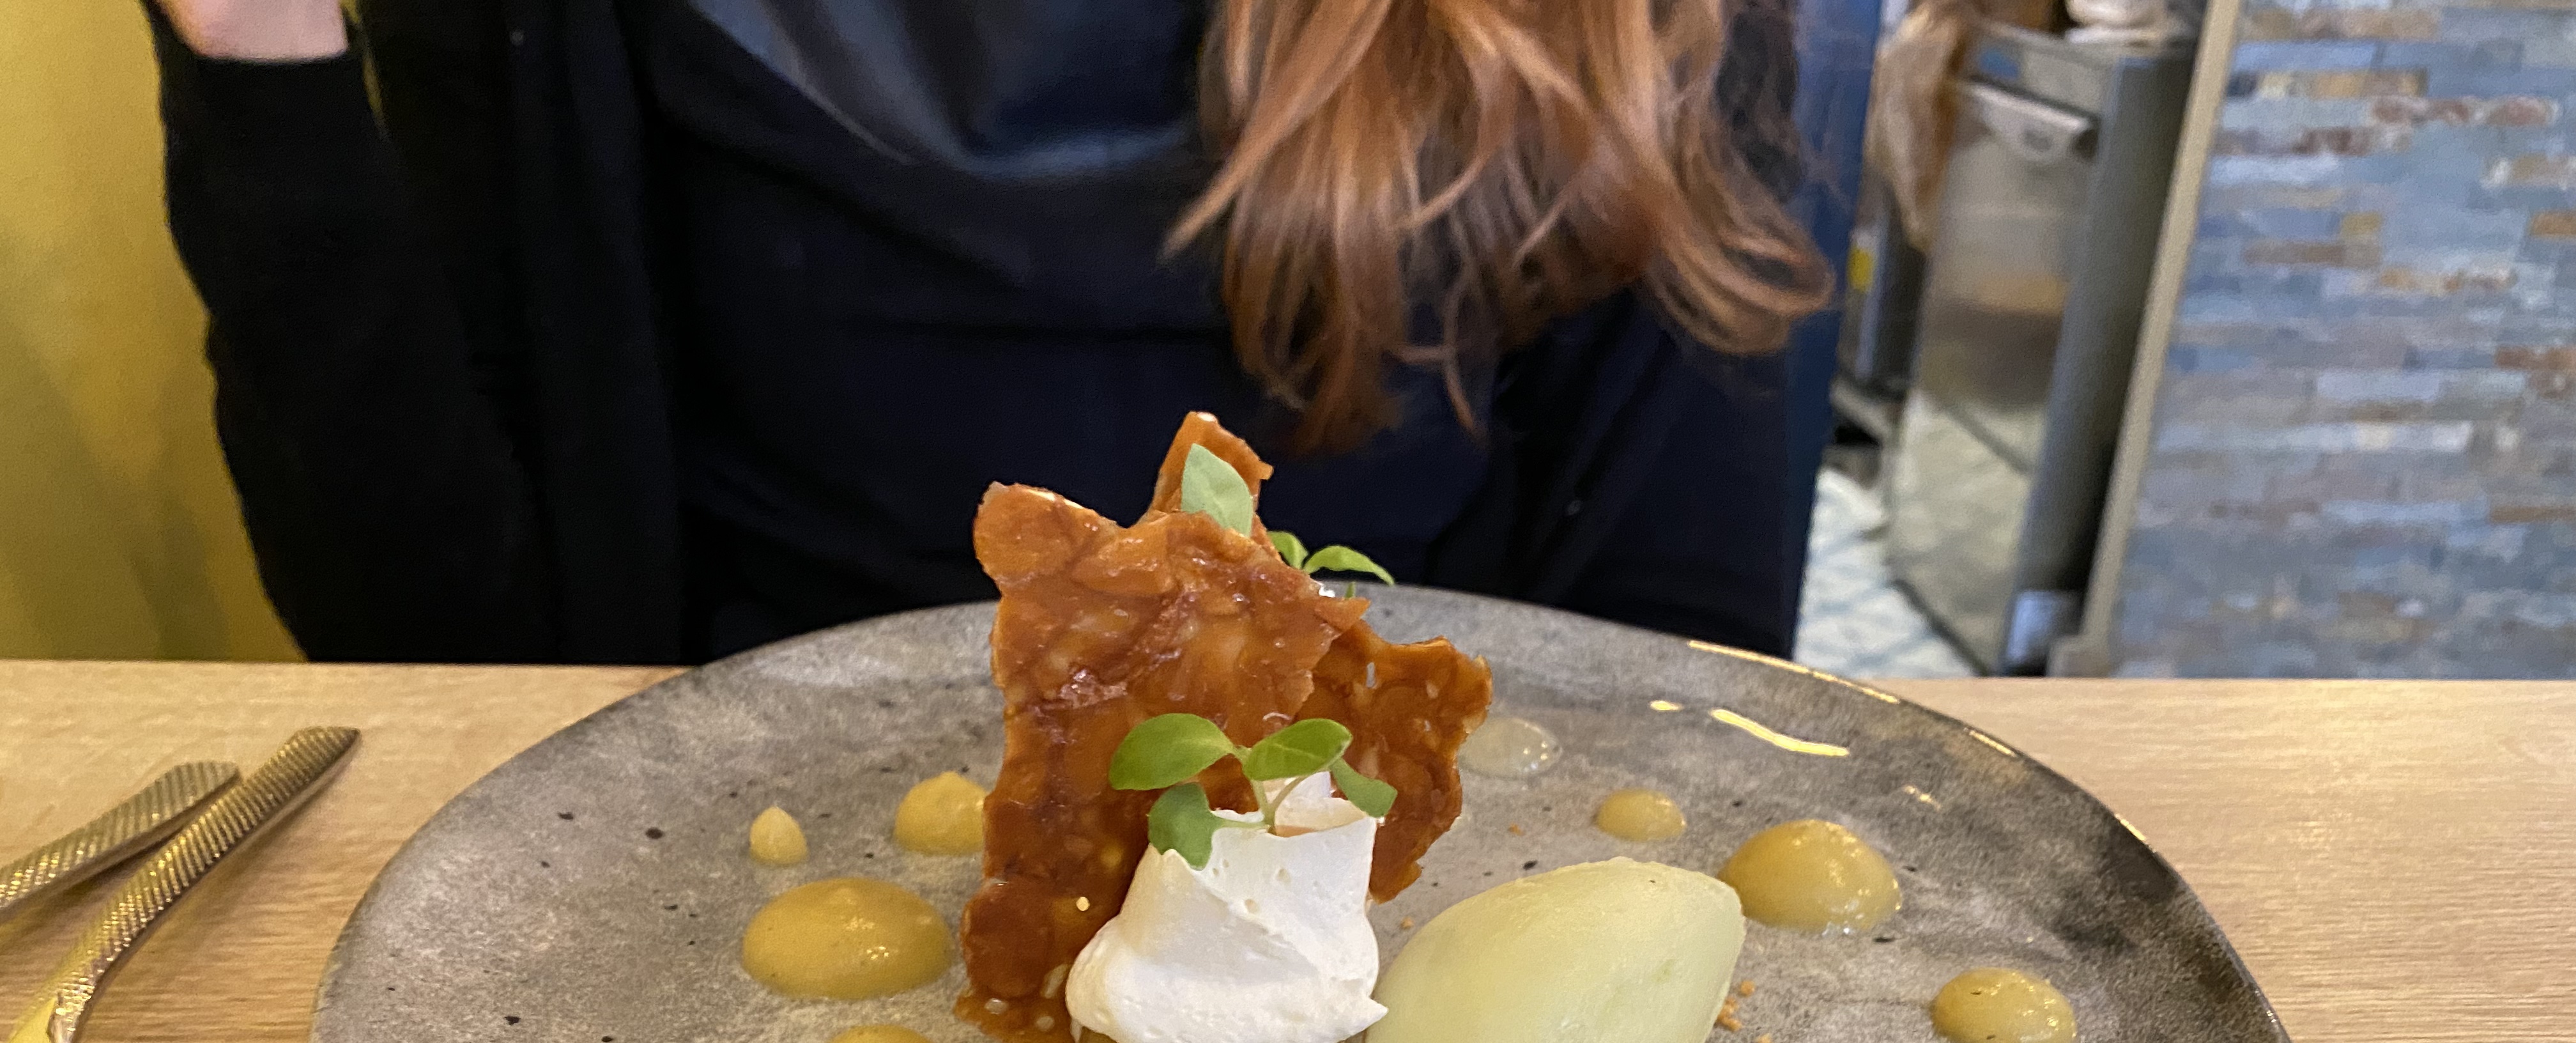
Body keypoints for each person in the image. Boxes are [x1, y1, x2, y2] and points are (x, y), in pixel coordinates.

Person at [146, 1, 1828, 665]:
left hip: (1389, 885)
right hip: (742, 894)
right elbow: (447, 654)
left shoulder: (1637, 26)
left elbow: (1685, 668)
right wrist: (263, 65)